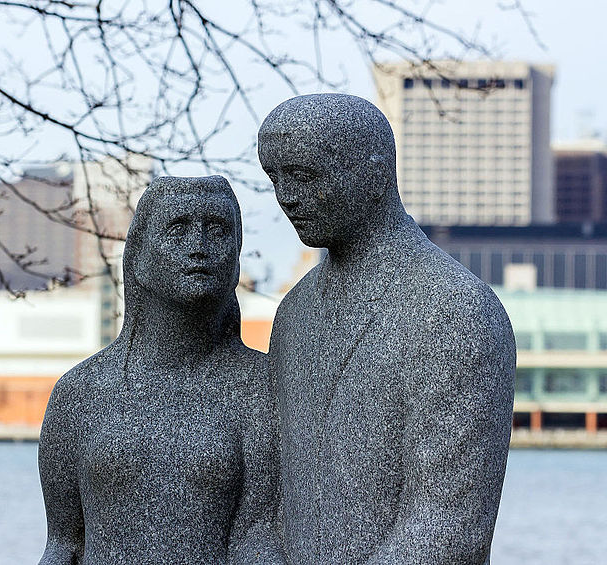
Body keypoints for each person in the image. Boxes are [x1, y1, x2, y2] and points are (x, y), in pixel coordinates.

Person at [258, 94, 514, 564]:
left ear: (374, 173)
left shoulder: (455, 310)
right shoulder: (294, 312)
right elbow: (270, 495)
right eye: (277, 179)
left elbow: (448, 525)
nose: (288, 198)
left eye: (305, 176)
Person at [38, 175, 284, 565]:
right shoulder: (80, 393)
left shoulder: (264, 385)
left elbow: (259, 539)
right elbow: (63, 544)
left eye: (218, 230)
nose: (199, 247)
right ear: (138, 255)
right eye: (178, 229)